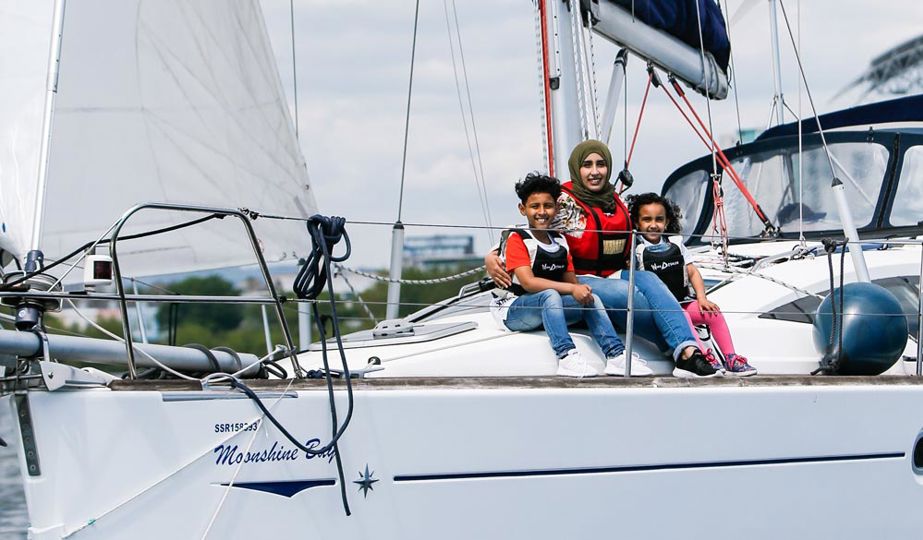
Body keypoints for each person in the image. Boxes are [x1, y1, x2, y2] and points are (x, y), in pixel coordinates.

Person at [487, 139, 720, 378]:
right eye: (587, 165)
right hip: (579, 276)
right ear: (577, 168)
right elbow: (531, 229)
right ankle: (677, 348)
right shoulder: (563, 203)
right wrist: (492, 255)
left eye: (601, 164)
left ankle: (688, 350)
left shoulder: (613, 200)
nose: (595, 171)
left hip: (613, 271)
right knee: (623, 294)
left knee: (649, 279)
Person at [495, 173, 652, 378]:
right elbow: (529, 283)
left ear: (556, 208)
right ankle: (566, 356)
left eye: (548, 206)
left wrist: (579, 292)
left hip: (547, 306)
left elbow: (573, 283)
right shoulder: (518, 238)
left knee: (590, 296)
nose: (542, 212)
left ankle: (616, 356)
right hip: (514, 310)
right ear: (522, 209)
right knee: (550, 294)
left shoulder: (560, 240)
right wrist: (572, 289)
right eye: (535, 206)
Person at [627, 192, 757, 376]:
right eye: (647, 220)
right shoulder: (636, 249)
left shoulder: (676, 244)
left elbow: (693, 272)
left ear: (667, 221)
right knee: (683, 318)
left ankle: (730, 357)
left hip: (683, 300)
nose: (653, 225)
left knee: (713, 313)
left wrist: (702, 297)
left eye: (659, 219)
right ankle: (703, 357)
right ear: (637, 222)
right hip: (663, 310)